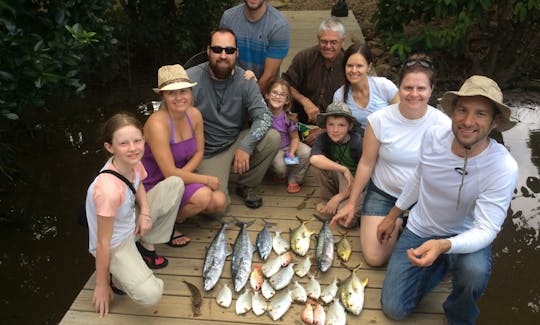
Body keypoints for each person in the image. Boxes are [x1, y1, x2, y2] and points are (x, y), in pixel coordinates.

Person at [379, 75, 518, 324]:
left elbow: (486, 229)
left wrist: (445, 245)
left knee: (474, 271)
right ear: (453, 111)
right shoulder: (433, 137)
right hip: (420, 228)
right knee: (394, 309)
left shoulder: (502, 166)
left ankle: (458, 314)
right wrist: (393, 215)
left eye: (480, 114)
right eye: (462, 110)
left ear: (495, 120)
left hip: (464, 235)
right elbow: (419, 178)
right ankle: (442, 265)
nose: (468, 121)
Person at [331, 54, 451, 266]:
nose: (414, 94)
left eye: (421, 88)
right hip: (384, 193)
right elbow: (366, 163)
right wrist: (351, 203)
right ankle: (397, 224)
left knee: (432, 257)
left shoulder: (443, 124)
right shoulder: (379, 119)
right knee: (375, 259)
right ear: (399, 89)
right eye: (407, 88)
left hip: (424, 199)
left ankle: (404, 224)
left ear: (431, 90)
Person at [85, 113, 183, 317]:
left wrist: (145, 213)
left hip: (131, 225)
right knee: (151, 294)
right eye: (123, 143)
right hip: (114, 245)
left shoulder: (133, 162)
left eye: (137, 140)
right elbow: (103, 243)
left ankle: (146, 246)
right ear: (109, 148)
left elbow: (138, 187)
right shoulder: (108, 190)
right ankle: (116, 277)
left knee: (175, 184)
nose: (133, 148)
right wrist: (101, 285)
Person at [186, 28, 280, 209]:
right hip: (206, 152)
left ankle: (246, 184)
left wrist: (246, 145)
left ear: (236, 53)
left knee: (272, 138)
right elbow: (168, 119)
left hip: (234, 140)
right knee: (217, 208)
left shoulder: (245, 79)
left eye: (229, 50)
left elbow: (264, 116)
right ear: (208, 51)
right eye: (217, 49)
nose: (223, 55)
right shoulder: (190, 79)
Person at [142, 64, 227, 247]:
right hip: (154, 184)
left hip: (178, 175)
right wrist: (205, 179)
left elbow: (199, 152)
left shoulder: (194, 115)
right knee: (204, 196)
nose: (179, 97)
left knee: (219, 201)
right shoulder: (157, 123)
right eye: (172, 93)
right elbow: (167, 174)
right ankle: (164, 225)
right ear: (163, 97)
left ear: (191, 92)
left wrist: (184, 176)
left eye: (183, 91)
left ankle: (175, 216)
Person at [282, 16, 346, 145]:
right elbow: (285, 83)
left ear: (342, 41)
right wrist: (304, 101)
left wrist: (324, 130)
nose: (328, 46)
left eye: (333, 42)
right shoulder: (305, 57)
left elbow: (353, 106)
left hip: (334, 129)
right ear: (318, 39)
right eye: (324, 41)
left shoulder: (348, 64)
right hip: (299, 124)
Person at [310, 102, 363, 224]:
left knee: (344, 220)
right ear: (325, 126)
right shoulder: (323, 138)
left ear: (350, 126)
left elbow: (366, 178)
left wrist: (340, 196)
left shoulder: (358, 143)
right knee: (317, 166)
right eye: (331, 124)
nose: (335, 130)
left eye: (341, 125)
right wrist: (343, 169)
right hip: (342, 177)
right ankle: (328, 199)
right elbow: (314, 159)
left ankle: (341, 202)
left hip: (360, 184)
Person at [220, 0, 290, 92]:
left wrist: (251, 100)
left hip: (264, 92)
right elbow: (222, 58)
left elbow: (269, 75)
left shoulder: (279, 25)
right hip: (230, 88)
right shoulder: (228, 18)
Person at [333, 42, 399, 132]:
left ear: (368, 67)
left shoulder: (384, 86)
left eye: (359, 66)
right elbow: (339, 129)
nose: (354, 70)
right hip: (357, 142)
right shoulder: (339, 96)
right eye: (349, 66)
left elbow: (401, 118)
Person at [265, 78, 311, 193]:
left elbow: (295, 138)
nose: (277, 96)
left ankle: (294, 177)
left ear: (287, 100)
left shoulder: (288, 118)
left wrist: (292, 151)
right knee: (280, 168)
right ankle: (280, 173)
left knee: (307, 152)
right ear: (267, 95)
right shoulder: (262, 114)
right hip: (274, 150)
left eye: (282, 94)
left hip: (289, 145)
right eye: (274, 92)